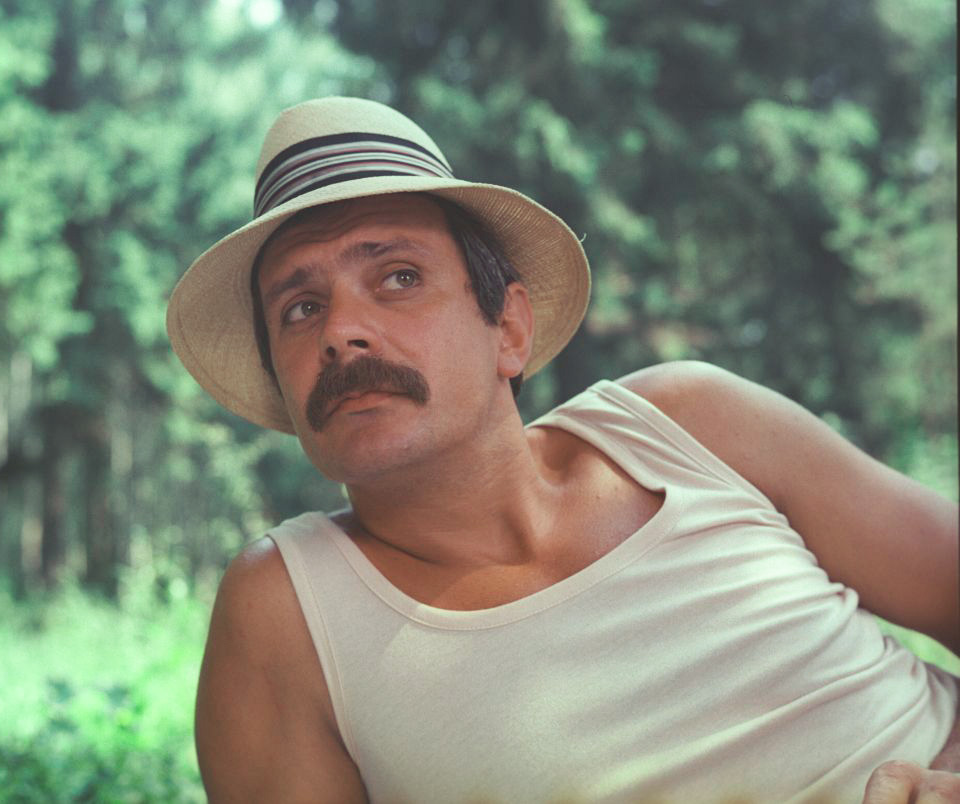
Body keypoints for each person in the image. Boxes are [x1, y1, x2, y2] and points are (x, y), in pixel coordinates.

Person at [167, 97, 959, 803]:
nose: (341, 332)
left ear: (509, 329)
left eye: (399, 277)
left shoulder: (689, 427)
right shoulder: (287, 612)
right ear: (281, 383)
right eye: (300, 309)